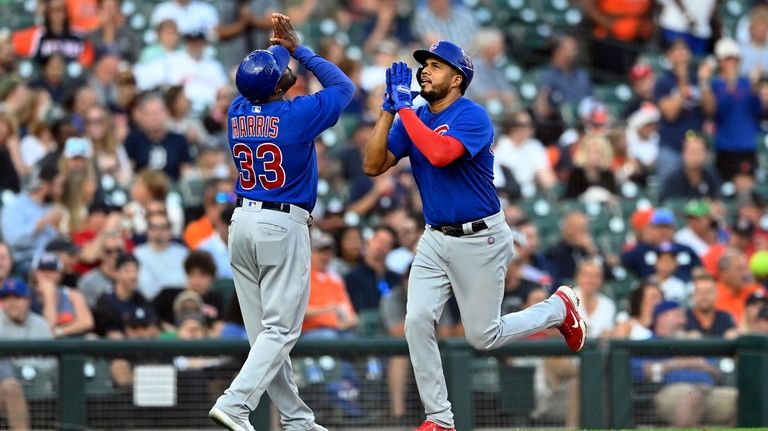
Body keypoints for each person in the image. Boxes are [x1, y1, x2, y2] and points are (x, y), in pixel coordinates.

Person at [361, 39, 587, 431]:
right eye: (424, 64)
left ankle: (558, 309)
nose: (425, 70)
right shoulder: (413, 115)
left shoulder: (473, 115)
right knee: (416, 321)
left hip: (480, 236)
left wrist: (403, 112)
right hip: (435, 237)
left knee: (482, 337)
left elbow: (440, 154)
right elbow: (372, 164)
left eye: (436, 65)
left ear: (457, 78)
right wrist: (387, 112)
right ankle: (439, 419)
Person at [208, 13, 354, 431]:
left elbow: (264, 72)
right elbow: (344, 87)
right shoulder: (296, 115)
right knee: (281, 332)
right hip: (281, 226)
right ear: (275, 86)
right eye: (280, 71)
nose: (285, 69)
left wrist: (279, 45)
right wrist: (300, 50)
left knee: (265, 339)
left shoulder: (238, 109)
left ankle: (295, 420)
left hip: (241, 223)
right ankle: (236, 404)